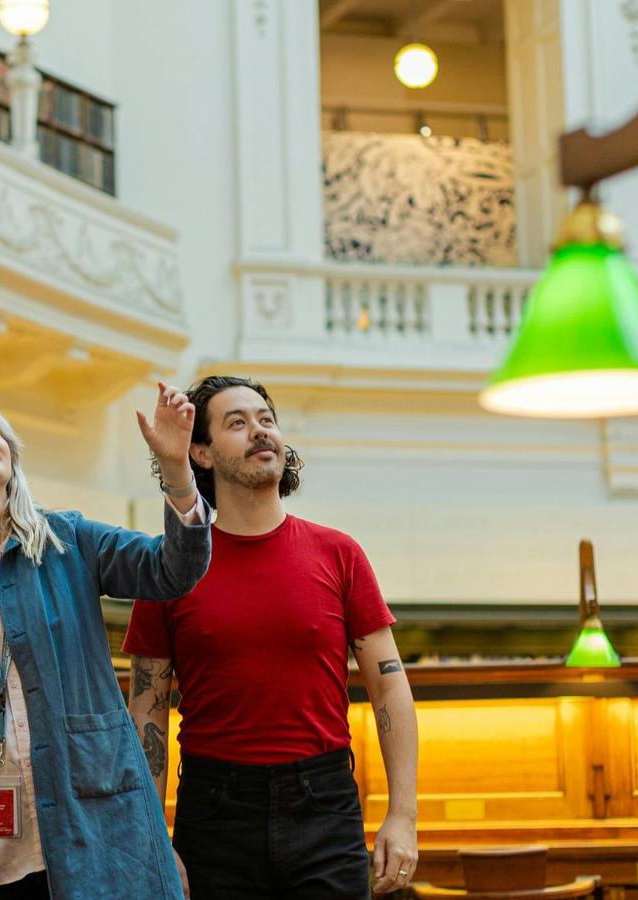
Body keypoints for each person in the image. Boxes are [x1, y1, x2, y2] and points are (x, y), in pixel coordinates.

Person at [0, 384, 210, 899]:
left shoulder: (68, 541)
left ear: (11, 455)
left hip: (93, 831)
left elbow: (173, 571)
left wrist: (176, 472)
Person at [125, 375, 419, 899]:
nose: (260, 431)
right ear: (202, 453)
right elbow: (148, 709)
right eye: (237, 423)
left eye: (266, 420)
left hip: (324, 804)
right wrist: (150, 833)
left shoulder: (339, 553)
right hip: (214, 814)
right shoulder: (168, 568)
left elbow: (389, 686)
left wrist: (404, 814)